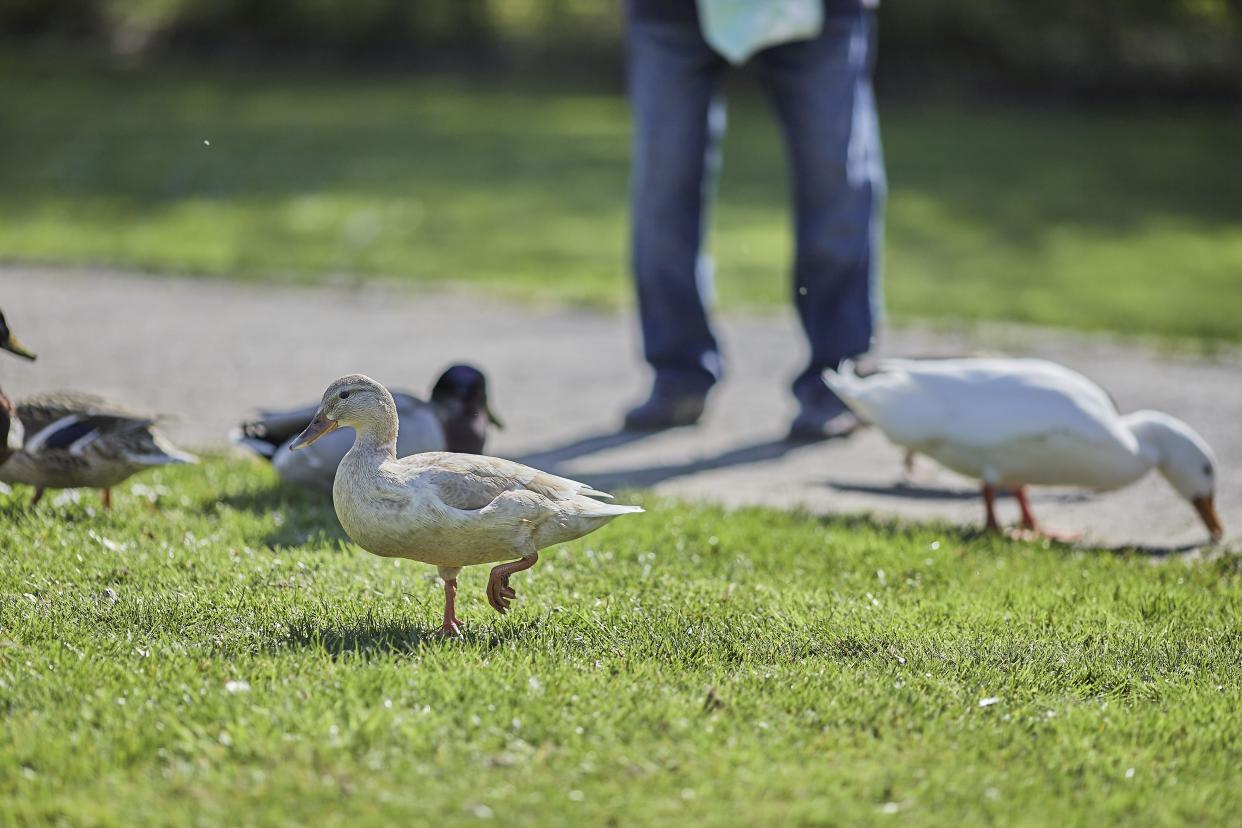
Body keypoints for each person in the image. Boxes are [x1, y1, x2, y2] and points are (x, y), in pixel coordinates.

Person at [622, 0, 885, 441]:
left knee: (835, 176)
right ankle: (678, 375)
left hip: (820, 11)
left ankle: (839, 380)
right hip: (672, 12)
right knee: (662, 184)